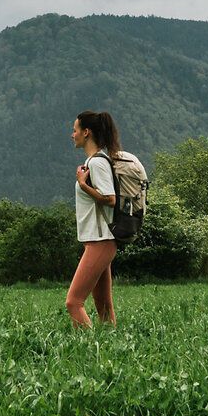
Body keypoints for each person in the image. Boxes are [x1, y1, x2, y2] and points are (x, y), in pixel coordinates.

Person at [68, 110, 123, 328]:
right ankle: (112, 348)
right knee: (104, 308)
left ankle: (88, 353)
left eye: (75, 130)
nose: (72, 135)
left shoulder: (97, 163)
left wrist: (83, 185)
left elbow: (110, 199)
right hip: (97, 240)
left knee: (73, 302)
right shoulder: (94, 161)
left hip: (101, 240)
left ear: (86, 132)